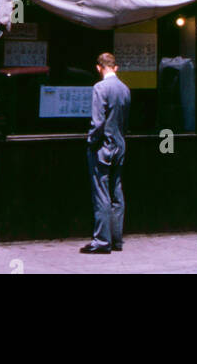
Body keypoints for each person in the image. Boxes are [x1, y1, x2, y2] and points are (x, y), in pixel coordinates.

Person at [80, 52, 131, 254]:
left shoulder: (100, 88)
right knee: (117, 191)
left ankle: (102, 240)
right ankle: (117, 238)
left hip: (103, 146)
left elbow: (97, 121)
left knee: (101, 193)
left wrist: (91, 140)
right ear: (115, 67)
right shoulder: (125, 89)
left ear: (99, 68)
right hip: (120, 143)